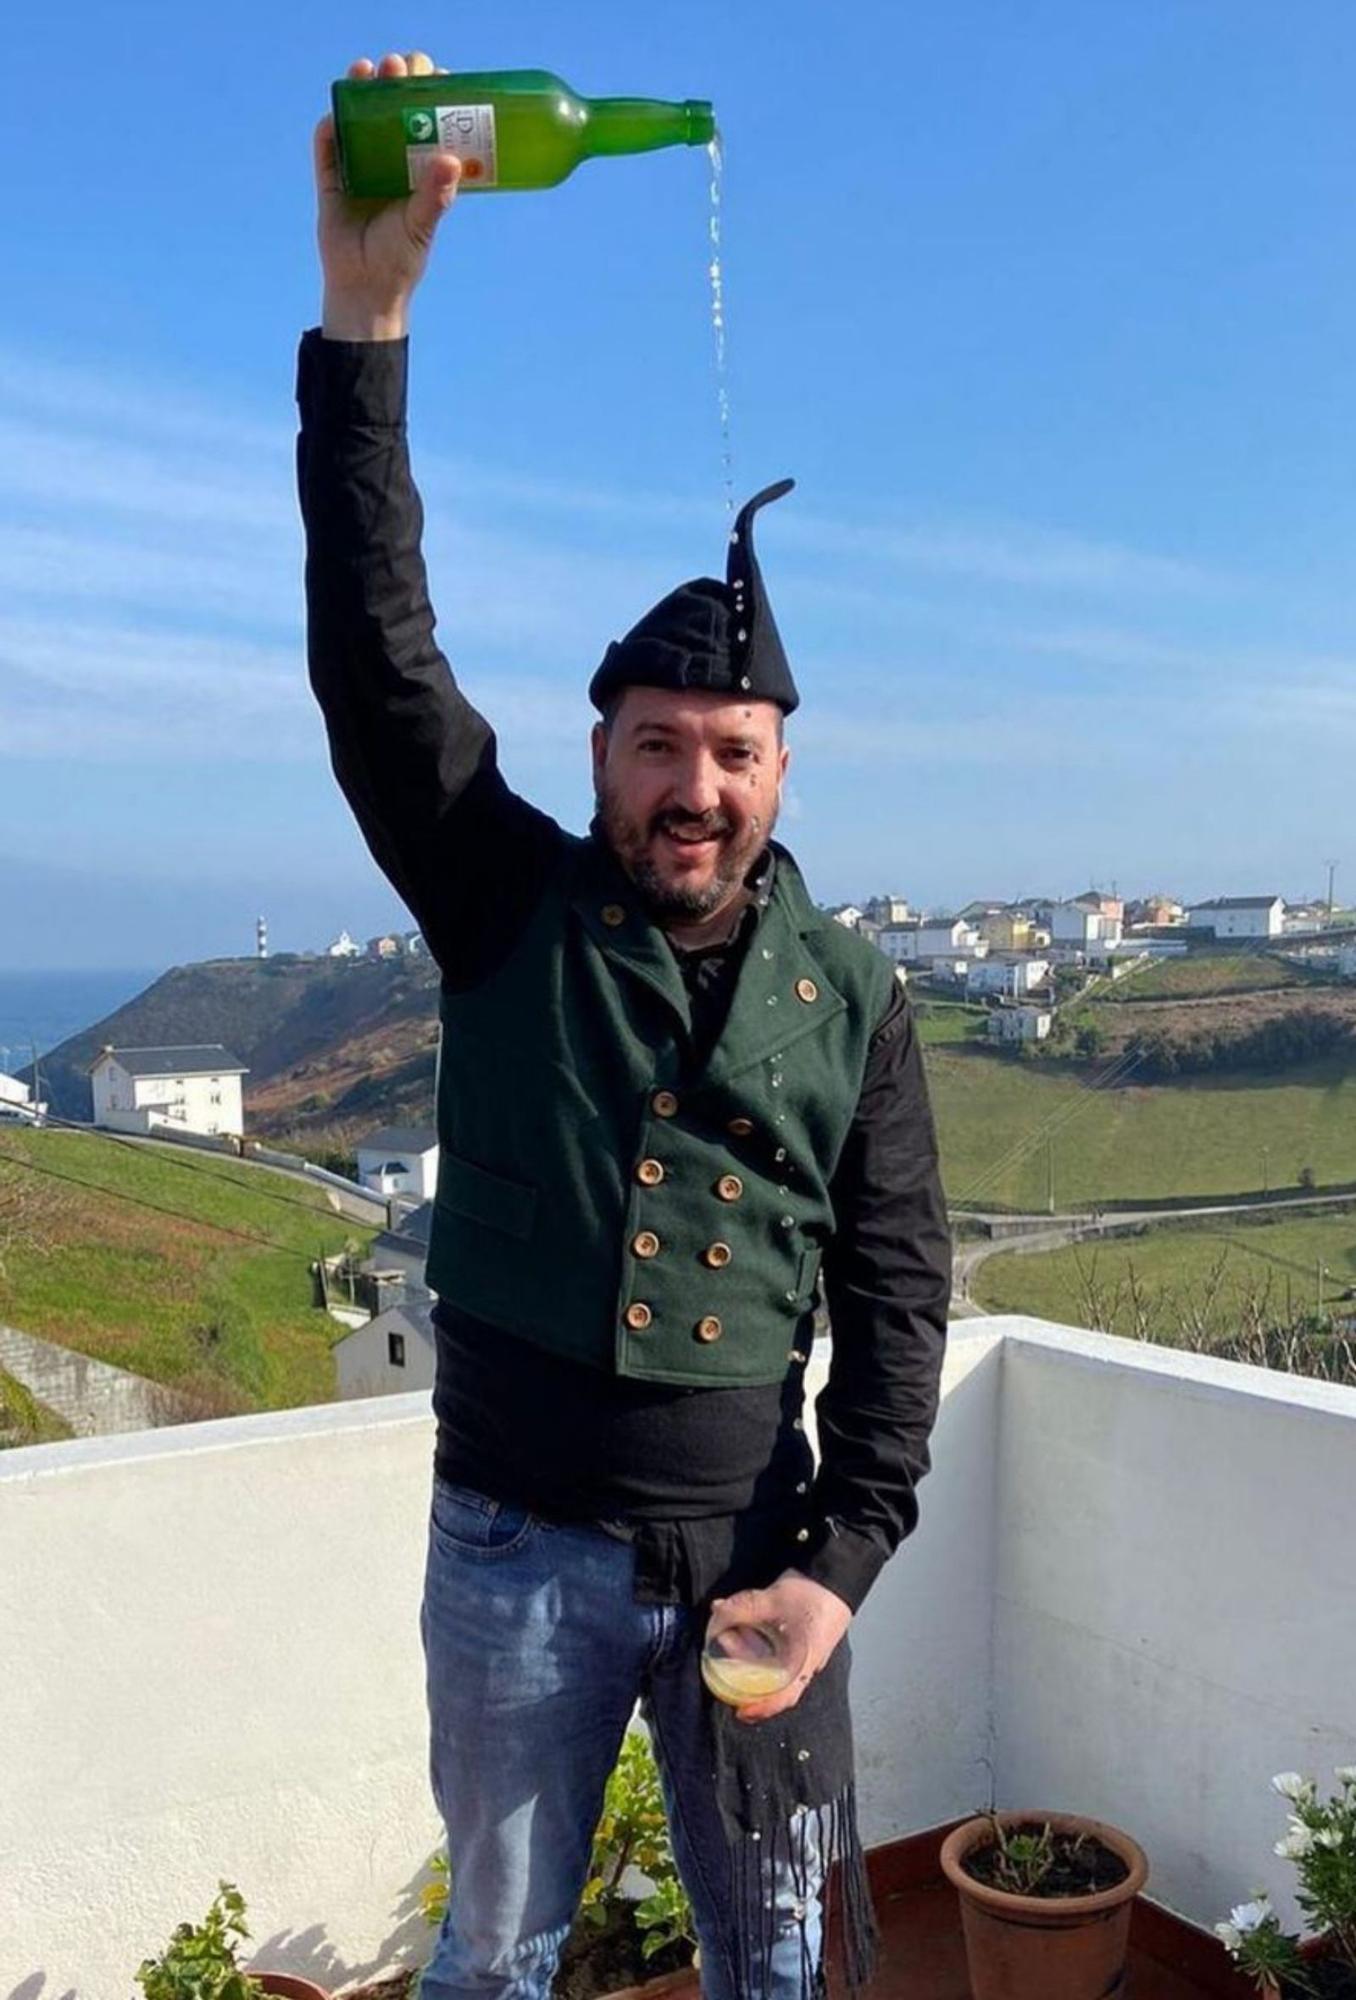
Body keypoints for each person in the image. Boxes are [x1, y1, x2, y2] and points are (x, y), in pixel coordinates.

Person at [298, 50, 951, 2000]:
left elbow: (902, 1302)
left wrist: (833, 1575)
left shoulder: (862, 1003)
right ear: (599, 755)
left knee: (779, 1958)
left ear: (781, 768)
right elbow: (376, 647)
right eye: (657, 745)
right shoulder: (500, 888)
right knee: (494, 1958)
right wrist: (368, 317)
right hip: (513, 1552)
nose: (695, 782)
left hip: (758, 1556)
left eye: (732, 750)